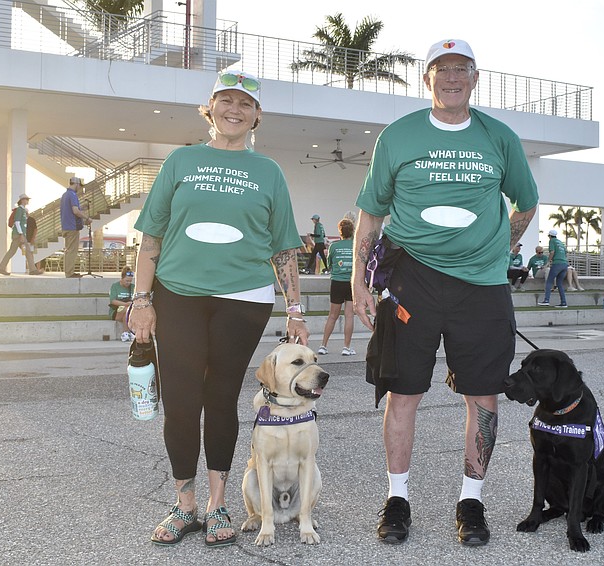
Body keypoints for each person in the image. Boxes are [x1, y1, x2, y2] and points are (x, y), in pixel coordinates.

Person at [352, 39, 538, 547]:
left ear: (475, 79)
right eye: (442, 69)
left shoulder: (499, 137)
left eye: (462, 69)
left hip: (482, 284)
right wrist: (359, 281)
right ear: (427, 78)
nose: (452, 77)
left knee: (483, 393)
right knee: (403, 391)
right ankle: (397, 499)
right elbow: (371, 211)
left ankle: (471, 501)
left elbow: (526, 200)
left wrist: (502, 246)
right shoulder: (398, 135)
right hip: (411, 278)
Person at [129, 69, 308, 547]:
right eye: (225, 100)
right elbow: (152, 236)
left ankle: (217, 503)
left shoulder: (268, 172)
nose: (234, 110)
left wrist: (295, 310)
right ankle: (183, 505)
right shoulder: (181, 161)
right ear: (209, 109)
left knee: (221, 397)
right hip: (178, 294)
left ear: (257, 116)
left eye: (245, 104)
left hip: (244, 299)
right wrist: (141, 300)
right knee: (182, 401)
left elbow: (284, 249)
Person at [317, 218, 356, 356]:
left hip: (337, 283)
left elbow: (329, 264)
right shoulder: (355, 245)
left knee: (332, 316)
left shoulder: (333, 246)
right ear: (352, 231)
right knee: (349, 316)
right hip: (351, 283)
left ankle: (323, 345)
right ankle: (346, 347)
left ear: (340, 232)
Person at [0, 194, 43, 275]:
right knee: (26, 251)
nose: (27, 201)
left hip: (19, 234)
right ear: (22, 200)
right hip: (19, 235)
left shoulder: (23, 210)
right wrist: (21, 234)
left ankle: (1, 268)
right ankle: (33, 270)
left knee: (16, 251)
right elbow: (17, 222)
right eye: (26, 199)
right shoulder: (20, 210)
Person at [60, 177, 91, 278]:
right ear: (76, 184)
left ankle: (68, 272)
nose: (80, 188)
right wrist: (87, 217)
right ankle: (69, 273)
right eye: (79, 186)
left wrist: (82, 207)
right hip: (72, 227)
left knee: (68, 250)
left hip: (66, 226)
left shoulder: (65, 195)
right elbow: (75, 211)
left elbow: (73, 209)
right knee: (72, 251)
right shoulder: (73, 195)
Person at [538, 229, 569, 308]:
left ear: (550, 236)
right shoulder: (561, 243)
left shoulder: (552, 241)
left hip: (557, 264)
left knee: (549, 281)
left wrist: (548, 262)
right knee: (559, 283)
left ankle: (546, 300)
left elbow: (552, 252)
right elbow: (565, 253)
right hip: (564, 264)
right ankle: (563, 302)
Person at [109, 266, 135, 341]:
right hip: (116, 311)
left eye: (130, 281)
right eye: (127, 281)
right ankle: (129, 331)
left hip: (128, 310)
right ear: (122, 278)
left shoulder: (133, 287)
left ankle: (126, 333)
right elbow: (113, 301)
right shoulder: (115, 286)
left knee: (127, 311)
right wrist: (125, 304)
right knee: (127, 309)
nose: (128, 283)